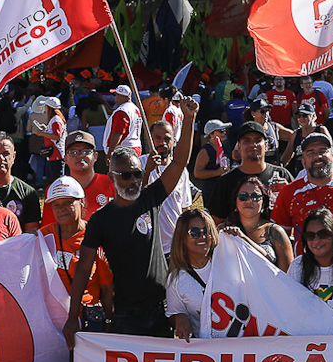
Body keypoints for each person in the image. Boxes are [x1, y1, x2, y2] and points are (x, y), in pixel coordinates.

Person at [63, 94, 199, 342]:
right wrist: (73, 316)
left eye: (137, 174)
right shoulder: (100, 220)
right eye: (125, 175)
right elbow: (84, 269)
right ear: (112, 177)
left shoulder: (151, 198)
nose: (133, 181)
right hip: (124, 314)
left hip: (161, 310)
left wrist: (188, 119)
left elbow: (180, 161)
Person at [43, 176, 114, 333]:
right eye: (56, 205)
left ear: (81, 202)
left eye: (68, 202)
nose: (61, 209)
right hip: (52, 318)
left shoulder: (96, 238)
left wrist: (110, 321)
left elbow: (107, 288)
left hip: (88, 321)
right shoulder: (43, 237)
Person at [272, 128, 333, 253]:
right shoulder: (290, 192)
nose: (318, 156)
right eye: (311, 153)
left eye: (323, 151)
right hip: (305, 267)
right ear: (304, 163)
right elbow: (279, 237)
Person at [205, 121, 284, 223]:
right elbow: (216, 221)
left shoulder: (281, 176)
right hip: (237, 237)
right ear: (238, 147)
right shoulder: (226, 181)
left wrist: (287, 192)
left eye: (257, 140)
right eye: (247, 141)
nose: (253, 144)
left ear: (266, 145)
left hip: (276, 237)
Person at [143, 119, 195, 256]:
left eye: (167, 138)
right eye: (157, 138)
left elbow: (185, 208)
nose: (162, 143)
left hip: (174, 246)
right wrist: (147, 170)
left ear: (174, 141)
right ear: (149, 139)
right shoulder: (138, 165)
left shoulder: (181, 171)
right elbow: (134, 200)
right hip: (148, 246)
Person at [166, 209, 219, 341]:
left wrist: (241, 238)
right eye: (194, 233)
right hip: (208, 351)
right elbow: (173, 314)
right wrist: (180, 317)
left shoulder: (230, 263)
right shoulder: (176, 280)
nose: (202, 236)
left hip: (241, 346)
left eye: (207, 230)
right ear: (182, 238)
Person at [222, 174, 293, 271]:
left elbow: (288, 274)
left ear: (263, 203)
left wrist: (243, 238)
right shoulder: (223, 230)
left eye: (255, 197)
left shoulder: (275, 232)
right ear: (235, 201)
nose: (249, 201)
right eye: (243, 196)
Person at [0, 131, 41, 233]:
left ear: (14, 157)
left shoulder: (28, 193)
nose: (0, 158)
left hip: (18, 248)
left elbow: (31, 233)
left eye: (6, 154)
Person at [192, 120, 230, 195]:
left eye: (224, 130)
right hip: (211, 191)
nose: (224, 133)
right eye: (221, 131)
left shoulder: (223, 148)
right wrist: (217, 172)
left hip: (223, 189)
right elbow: (197, 173)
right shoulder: (205, 151)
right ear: (211, 134)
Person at [103, 84, 143, 155]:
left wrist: (110, 152)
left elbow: (118, 133)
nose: (114, 97)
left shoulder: (122, 110)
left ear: (121, 96)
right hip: (134, 146)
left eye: (116, 95)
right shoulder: (135, 108)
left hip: (124, 150)